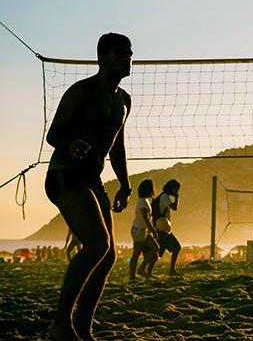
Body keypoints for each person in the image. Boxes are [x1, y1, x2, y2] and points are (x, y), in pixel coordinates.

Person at [43, 32, 133, 340]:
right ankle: (60, 323)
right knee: (97, 244)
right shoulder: (81, 91)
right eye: (121, 53)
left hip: (93, 178)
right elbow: (54, 135)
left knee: (108, 256)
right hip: (64, 173)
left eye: (130, 53)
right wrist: (72, 144)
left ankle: (83, 326)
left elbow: (116, 145)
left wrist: (124, 183)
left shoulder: (124, 100)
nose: (128, 58)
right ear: (103, 57)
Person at [129, 179, 159, 281]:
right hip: (139, 230)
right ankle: (133, 276)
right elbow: (145, 218)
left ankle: (141, 269)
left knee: (155, 247)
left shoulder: (144, 200)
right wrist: (153, 231)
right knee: (136, 254)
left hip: (143, 230)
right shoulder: (142, 201)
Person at [152, 179, 182, 277]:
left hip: (162, 229)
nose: (176, 192)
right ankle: (171, 270)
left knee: (157, 253)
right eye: (176, 189)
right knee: (176, 247)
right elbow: (174, 207)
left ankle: (146, 270)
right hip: (162, 229)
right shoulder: (165, 197)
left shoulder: (163, 196)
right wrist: (177, 198)